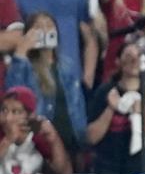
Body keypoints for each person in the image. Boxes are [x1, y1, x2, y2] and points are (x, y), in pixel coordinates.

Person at [85, 40, 145, 174]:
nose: (134, 60)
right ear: (118, 62)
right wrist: (110, 108)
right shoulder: (105, 92)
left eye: (138, 56)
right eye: (128, 56)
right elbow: (91, 137)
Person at [5, 13, 88, 153]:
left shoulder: (67, 66)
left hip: (71, 140)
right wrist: (21, 51)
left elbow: (78, 104)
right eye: (38, 27)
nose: (45, 30)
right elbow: (12, 94)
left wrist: (82, 138)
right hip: (38, 142)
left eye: (49, 25)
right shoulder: (24, 66)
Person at [0, 85, 71, 174]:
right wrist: (8, 140)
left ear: (30, 116)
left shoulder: (38, 137)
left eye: (15, 112)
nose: (8, 118)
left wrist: (54, 141)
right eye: (4, 110)